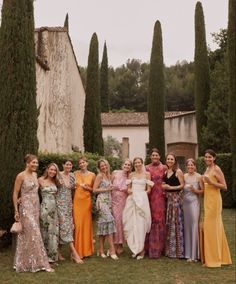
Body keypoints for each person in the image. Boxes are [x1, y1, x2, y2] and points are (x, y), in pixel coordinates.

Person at [13, 154, 53, 272]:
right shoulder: (21, 176)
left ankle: (29, 262)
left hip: (36, 207)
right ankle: (42, 263)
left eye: (36, 163)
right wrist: (16, 210)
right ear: (27, 163)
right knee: (34, 232)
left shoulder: (35, 175)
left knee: (31, 235)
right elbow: (15, 193)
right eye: (33, 162)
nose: (35, 165)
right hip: (25, 208)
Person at [201, 149, 232, 267]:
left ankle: (213, 260)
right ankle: (220, 257)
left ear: (214, 158)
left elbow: (224, 187)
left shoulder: (216, 169)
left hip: (215, 201)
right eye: (206, 157)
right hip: (207, 200)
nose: (208, 159)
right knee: (213, 228)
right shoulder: (207, 169)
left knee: (211, 228)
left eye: (210, 157)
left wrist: (211, 182)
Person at [122, 157, 154, 260]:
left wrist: (140, 195)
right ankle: (135, 248)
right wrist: (131, 192)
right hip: (132, 201)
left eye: (139, 162)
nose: (137, 164)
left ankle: (142, 250)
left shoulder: (147, 174)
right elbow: (128, 189)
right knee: (132, 224)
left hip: (142, 201)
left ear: (142, 163)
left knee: (141, 224)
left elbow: (148, 190)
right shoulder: (131, 175)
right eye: (135, 163)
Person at [56, 158, 83, 264]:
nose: (68, 166)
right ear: (63, 165)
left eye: (70, 165)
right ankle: (75, 254)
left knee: (65, 228)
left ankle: (58, 252)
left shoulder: (72, 176)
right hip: (59, 205)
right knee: (65, 227)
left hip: (68, 204)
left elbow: (75, 187)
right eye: (67, 164)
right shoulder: (58, 175)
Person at [93, 159, 118, 260]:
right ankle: (112, 249)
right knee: (110, 221)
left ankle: (101, 250)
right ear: (99, 167)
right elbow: (94, 190)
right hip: (101, 201)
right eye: (102, 166)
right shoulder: (99, 176)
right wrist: (107, 189)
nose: (104, 167)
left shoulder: (108, 176)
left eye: (105, 165)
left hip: (108, 202)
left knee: (103, 225)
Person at [145, 148, 167, 258]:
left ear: (159, 156)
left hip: (160, 197)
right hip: (149, 196)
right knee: (150, 219)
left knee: (159, 220)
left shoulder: (164, 168)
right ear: (150, 156)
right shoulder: (146, 168)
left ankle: (160, 248)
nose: (154, 157)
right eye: (153, 155)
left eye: (156, 155)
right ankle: (149, 247)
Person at [162, 153, 184, 258]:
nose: (170, 161)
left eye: (172, 159)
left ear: (175, 161)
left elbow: (182, 185)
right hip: (168, 200)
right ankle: (169, 250)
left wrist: (170, 188)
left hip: (175, 200)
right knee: (169, 223)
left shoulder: (178, 171)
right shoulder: (166, 172)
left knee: (176, 223)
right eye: (168, 159)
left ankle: (177, 251)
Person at [73, 157, 95, 258]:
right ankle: (76, 251)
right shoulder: (75, 174)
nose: (82, 164)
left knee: (86, 224)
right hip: (77, 201)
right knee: (78, 225)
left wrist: (87, 188)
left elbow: (94, 189)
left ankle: (86, 251)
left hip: (86, 201)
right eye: (80, 163)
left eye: (83, 162)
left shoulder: (92, 175)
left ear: (87, 163)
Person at [183, 158, 204, 262]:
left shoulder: (199, 176)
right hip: (185, 204)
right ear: (186, 166)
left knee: (194, 226)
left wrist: (195, 190)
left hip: (194, 203)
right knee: (187, 226)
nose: (190, 167)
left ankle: (195, 255)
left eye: (192, 165)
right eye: (188, 165)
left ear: (195, 166)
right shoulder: (184, 176)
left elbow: (203, 191)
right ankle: (187, 253)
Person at [39, 163, 59, 263]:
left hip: (54, 210)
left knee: (53, 232)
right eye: (51, 169)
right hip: (44, 209)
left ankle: (52, 257)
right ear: (47, 169)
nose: (53, 172)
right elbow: (31, 191)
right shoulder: (40, 180)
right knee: (45, 232)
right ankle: (43, 256)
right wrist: (21, 198)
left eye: (55, 170)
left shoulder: (56, 181)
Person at [111, 159, 132, 255]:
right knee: (115, 222)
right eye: (125, 164)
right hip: (114, 200)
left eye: (129, 165)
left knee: (121, 222)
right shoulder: (115, 172)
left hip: (123, 201)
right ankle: (114, 245)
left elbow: (129, 189)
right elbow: (109, 184)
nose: (126, 166)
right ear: (122, 164)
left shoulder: (129, 177)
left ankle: (120, 244)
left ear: (130, 167)